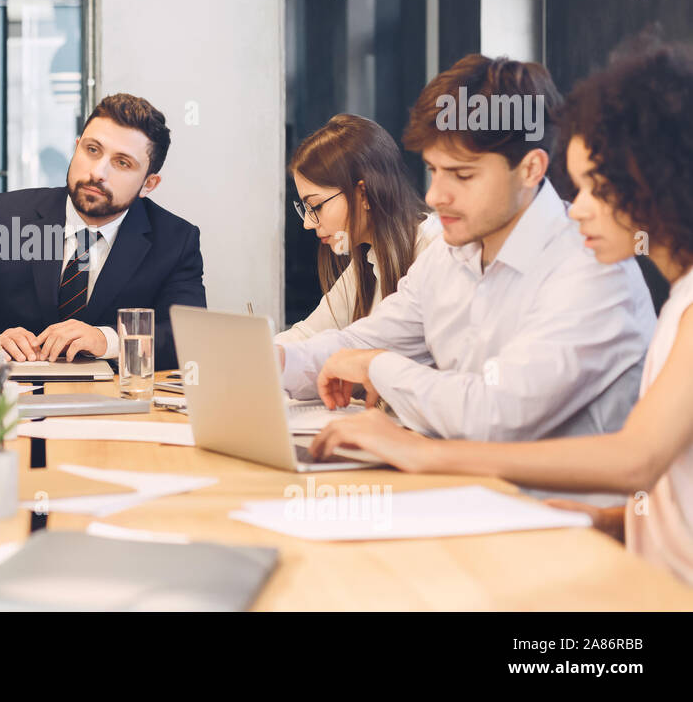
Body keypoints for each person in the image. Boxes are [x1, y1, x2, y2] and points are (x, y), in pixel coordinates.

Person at [310, 42, 693, 583]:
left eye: (597, 189)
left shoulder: (635, 285)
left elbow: (635, 459)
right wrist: (610, 521)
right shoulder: (682, 301)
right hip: (601, 552)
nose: (576, 207)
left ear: (660, 185)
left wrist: (422, 452)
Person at [275, 55, 655, 499]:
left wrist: (378, 365)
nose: (435, 196)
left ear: (531, 169)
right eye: (434, 170)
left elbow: (495, 415)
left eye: (462, 174)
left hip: (563, 527)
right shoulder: (452, 255)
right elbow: (361, 342)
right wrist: (273, 362)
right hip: (465, 500)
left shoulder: (590, 267)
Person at [0, 92, 206, 370]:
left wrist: (106, 340)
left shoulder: (175, 241)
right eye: (92, 150)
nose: (97, 172)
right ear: (77, 146)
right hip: (8, 402)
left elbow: (189, 338)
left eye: (122, 163)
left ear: (149, 184)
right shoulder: (4, 217)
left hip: (111, 408)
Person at [277, 113, 440, 343]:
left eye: (315, 206)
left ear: (363, 194)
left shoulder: (435, 251)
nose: (307, 223)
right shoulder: (367, 259)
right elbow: (310, 333)